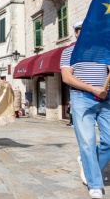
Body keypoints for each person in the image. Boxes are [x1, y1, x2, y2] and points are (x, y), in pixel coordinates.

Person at [61, 21, 110, 198]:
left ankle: (86, 163)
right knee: (87, 143)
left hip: (106, 99)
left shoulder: (104, 51)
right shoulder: (69, 52)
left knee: (109, 141)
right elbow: (67, 77)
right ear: (76, 33)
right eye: (83, 31)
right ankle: (95, 184)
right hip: (82, 98)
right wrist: (92, 88)